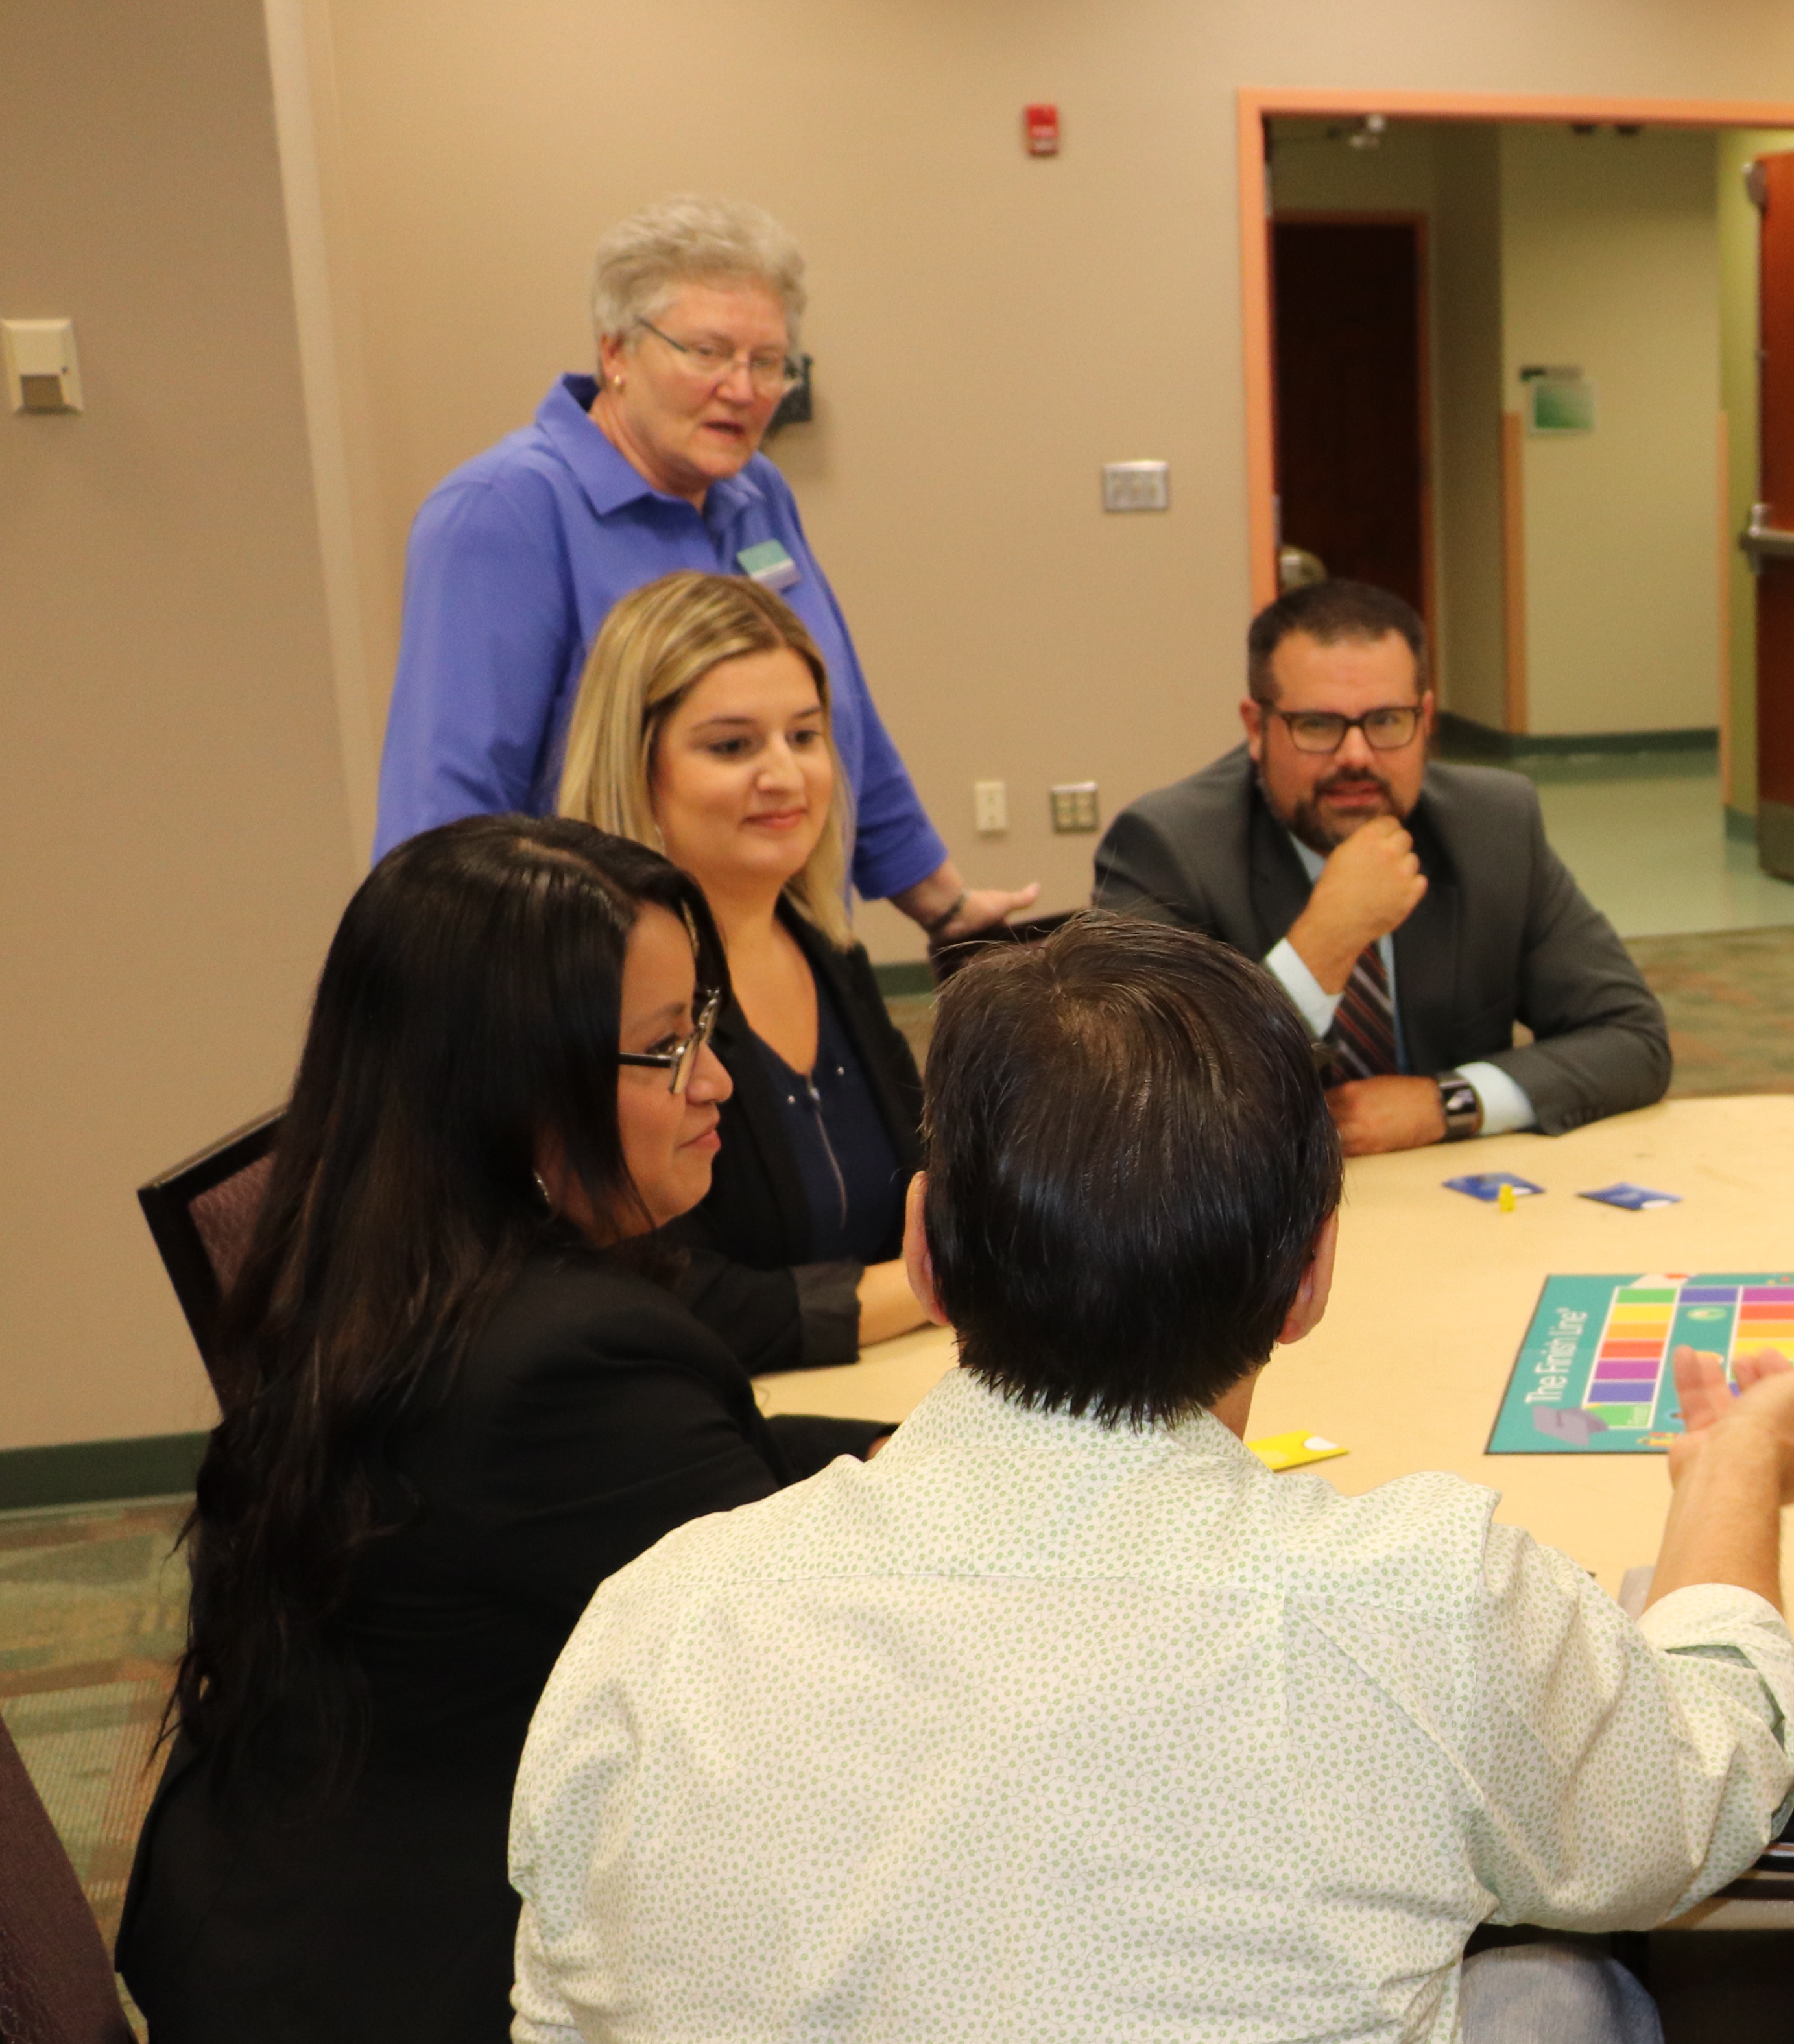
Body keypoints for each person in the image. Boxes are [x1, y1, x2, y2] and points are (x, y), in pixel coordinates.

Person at [508, 915, 1794, 2044]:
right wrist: (1729, 1486)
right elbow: (1707, 1794)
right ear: (1312, 1275)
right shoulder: (1418, 1594)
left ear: (927, 1249)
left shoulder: (650, 1621)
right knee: (1570, 2012)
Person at [119, 817, 872, 2044]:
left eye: (704, 1020)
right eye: (666, 1048)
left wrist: (913, 1453)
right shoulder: (561, 1364)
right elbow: (819, 1652)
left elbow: (729, 1471)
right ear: (511, 1086)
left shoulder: (388, 1272)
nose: (718, 1082)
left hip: (274, 1971)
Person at [372, 194, 1033, 953]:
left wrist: (944, 905)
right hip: (607, 988)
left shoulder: (757, 492)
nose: (743, 389)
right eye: (708, 353)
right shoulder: (505, 511)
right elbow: (445, 813)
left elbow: (840, 721)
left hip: (788, 954)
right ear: (615, 351)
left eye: (767, 362)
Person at [1095, 580, 1670, 1153]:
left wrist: (1446, 1102)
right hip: (1255, 1223)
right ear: (1256, 727)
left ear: (1424, 719)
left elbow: (1632, 1039)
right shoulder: (1166, 848)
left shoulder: (1494, 825)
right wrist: (1324, 943)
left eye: (1387, 721)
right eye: (1318, 725)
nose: (1357, 756)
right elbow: (1143, 1101)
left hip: (1449, 1203)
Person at [558, 571, 934, 1372]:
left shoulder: (826, 945)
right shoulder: (599, 992)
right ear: (638, 766)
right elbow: (674, 1294)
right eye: (732, 746)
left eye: (804, 736)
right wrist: (945, 1284)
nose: (786, 776)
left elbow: (935, 1188)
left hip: (893, 1389)